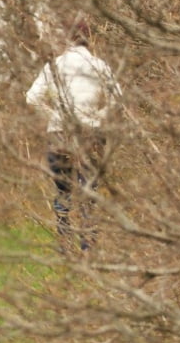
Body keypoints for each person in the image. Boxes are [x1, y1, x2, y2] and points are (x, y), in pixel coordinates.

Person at [25, 19, 122, 252]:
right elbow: (118, 97)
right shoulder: (99, 65)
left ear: (67, 39)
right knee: (89, 188)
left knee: (63, 188)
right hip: (91, 132)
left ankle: (64, 241)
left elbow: (31, 98)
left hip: (60, 132)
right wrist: (98, 115)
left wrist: (53, 115)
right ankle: (88, 244)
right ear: (90, 39)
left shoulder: (55, 65)